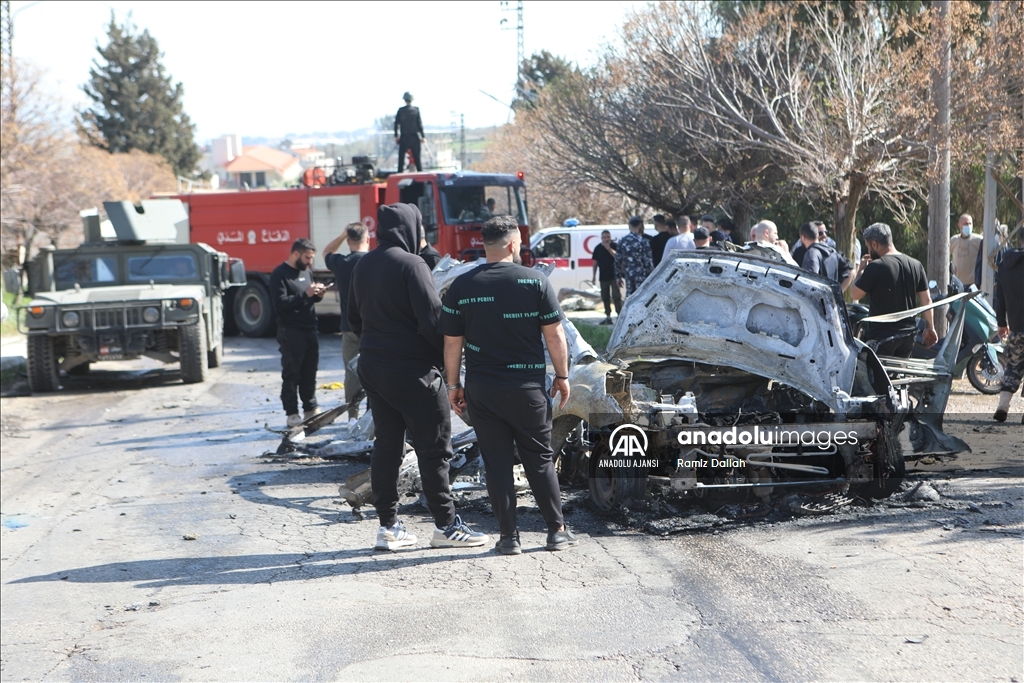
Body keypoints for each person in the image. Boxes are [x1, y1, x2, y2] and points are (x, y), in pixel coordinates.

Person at [348, 203, 488, 551]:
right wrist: (449, 364)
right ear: (410, 228)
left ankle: (389, 527)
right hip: (413, 373)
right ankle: (446, 526)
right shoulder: (413, 264)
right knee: (434, 448)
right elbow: (431, 321)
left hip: (373, 367)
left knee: (387, 446)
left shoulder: (363, 264)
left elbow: (352, 319)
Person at [439, 216, 577, 555]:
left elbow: (452, 342)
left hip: (483, 388)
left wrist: (454, 384)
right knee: (540, 460)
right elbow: (555, 334)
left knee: (497, 463)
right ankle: (556, 531)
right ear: (514, 244)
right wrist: (562, 376)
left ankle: (508, 538)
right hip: (527, 386)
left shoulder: (462, 286)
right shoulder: (535, 282)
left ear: (485, 245)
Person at [850, 222, 937, 358]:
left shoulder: (876, 267)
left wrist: (861, 270)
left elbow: (854, 293)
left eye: (868, 248)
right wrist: (930, 327)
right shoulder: (915, 265)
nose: (869, 253)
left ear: (874, 244)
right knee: (897, 378)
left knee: (876, 378)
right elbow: (926, 300)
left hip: (881, 338)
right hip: (907, 337)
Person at [270, 239, 326, 427]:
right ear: (296, 254)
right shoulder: (280, 274)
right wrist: (306, 294)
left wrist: (317, 295)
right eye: (307, 257)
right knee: (292, 373)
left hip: (310, 328)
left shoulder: (307, 271)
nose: (310, 261)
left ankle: (310, 408)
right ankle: (292, 414)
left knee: (310, 372)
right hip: (290, 331)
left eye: (311, 258)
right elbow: (280, 304)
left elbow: (307, 299)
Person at [323, 223, 370, 421]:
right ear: (367, 239)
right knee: (375, 372)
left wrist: (342, 234)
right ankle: (374, 415)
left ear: (349, 241)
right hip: (373, 327)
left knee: (352, 373)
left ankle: (353, 416)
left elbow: (327, 251)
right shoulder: (373, 261)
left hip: (350, 328)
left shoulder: (341, 263)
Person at [992, 228, 1023, 423]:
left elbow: (999, 298)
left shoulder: (1006, 264)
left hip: (1017, 326)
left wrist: (1002, 323)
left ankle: (1003, 405)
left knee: (1013, 365)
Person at [797, 222, 852, 290]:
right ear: (817, 235)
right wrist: (838, 292)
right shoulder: (832, 251)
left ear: (803, 237)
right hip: (830, 298)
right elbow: (849, 270)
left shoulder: (811, 253)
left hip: (817, 299)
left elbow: (810, 281)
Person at [615, 216, 654, 297]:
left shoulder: (622, 241)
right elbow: (648, 262)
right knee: (642, 298)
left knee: (630, 297)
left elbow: (617, 260)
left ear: (629, 225)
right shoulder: (643, 241)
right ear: (640, 225)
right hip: (642, 276)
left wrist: (618, 277)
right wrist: (652, 276)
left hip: (629, 275)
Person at [591, 230, 621, 325]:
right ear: (601, 238)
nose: (606, 239)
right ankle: (608, 317)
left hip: (614, 276)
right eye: (604, 237)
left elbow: (618, 257)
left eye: (608, 237)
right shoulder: (598, 248)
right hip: (603, 276)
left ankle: (619, 316)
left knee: (616, 296)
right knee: (605, 297)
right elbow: (595, 263)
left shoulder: (615, 246)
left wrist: (609, 249)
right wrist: (593, 276)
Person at [394, 92, 425, 173]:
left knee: (401, 159)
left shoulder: (400, 111)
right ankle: (420, 176)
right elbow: (419, 125)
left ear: (404, 99)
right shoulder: (416, 110)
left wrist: (396, 136)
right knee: (417, 159)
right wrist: (423, 137)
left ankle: (399, 175)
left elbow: (396, 124)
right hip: (414, 137)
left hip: (404, 137)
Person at [950, 213, 982, 288]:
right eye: (965, 224)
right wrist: (950, 267)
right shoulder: (953, 240)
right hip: (957, 284)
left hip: (974, 284)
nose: (968, 226)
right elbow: (944, 257)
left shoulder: (979, 240)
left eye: (970, 223)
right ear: (959, 225)